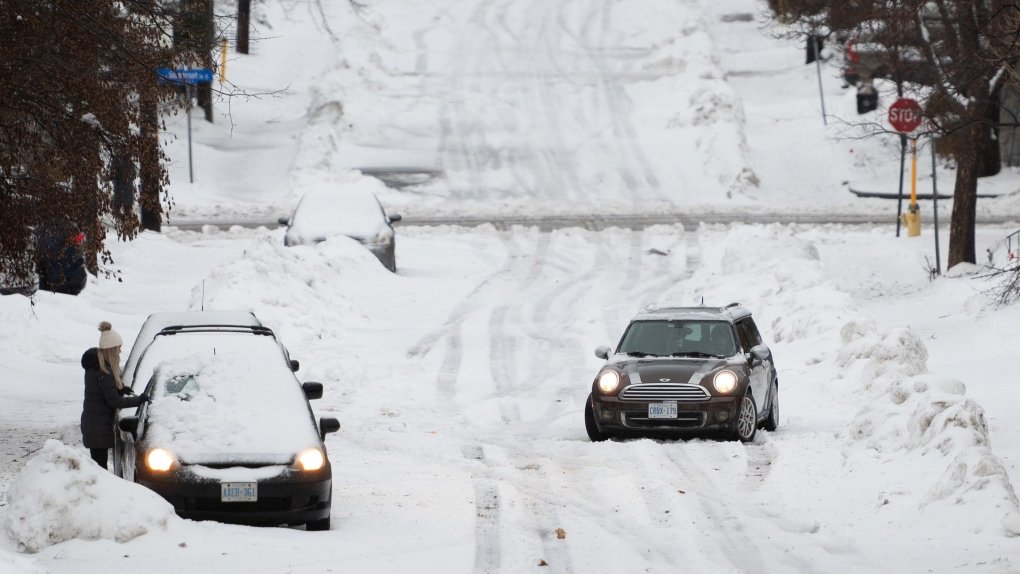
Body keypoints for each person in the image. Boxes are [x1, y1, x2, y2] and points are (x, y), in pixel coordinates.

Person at [80, 322, 146, 470]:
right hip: (98, 427)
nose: (120, 351)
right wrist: (139, 400)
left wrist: (119, 389)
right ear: (111, 350)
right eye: (118, 348)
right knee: (100, 468)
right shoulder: (104, 372)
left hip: (93, 424)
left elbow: (102, 393)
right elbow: (114, 402)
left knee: (99, 465)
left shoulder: (96, 367)